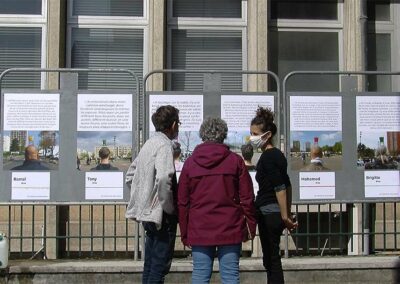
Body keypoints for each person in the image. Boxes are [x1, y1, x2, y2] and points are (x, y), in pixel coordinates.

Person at [178, 117, 257, 284]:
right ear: (224, 135)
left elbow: (183, 202)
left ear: (202, 135)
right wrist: (250, 225)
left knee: (200, 275)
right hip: (230, 227)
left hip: (199, 227)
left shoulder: (190, 164)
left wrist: (185, 233)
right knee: (230, 277)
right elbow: (247, 198)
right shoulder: (236, 162)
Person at [125, 105, 180, 284]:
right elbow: (165, 178)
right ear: (172, 125)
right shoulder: (164, 145)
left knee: (149, 265)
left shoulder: (149, 143)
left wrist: (143, 196)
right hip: (161, 215)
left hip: (148, 213)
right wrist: (169, 207)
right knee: (159, 266)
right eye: (178, 123)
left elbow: (130, 175)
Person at [249, 107, 298, 284]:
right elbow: (287, 185)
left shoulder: (269, 157)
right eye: (251, 133)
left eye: (255, 134)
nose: (252, 137)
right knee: (271, 258)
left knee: (271, 260)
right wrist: (287, 213)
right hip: (275, 213)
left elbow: (280, 187)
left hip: (269, 213)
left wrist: (285, 216)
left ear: (267, 135)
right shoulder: (278, 155)